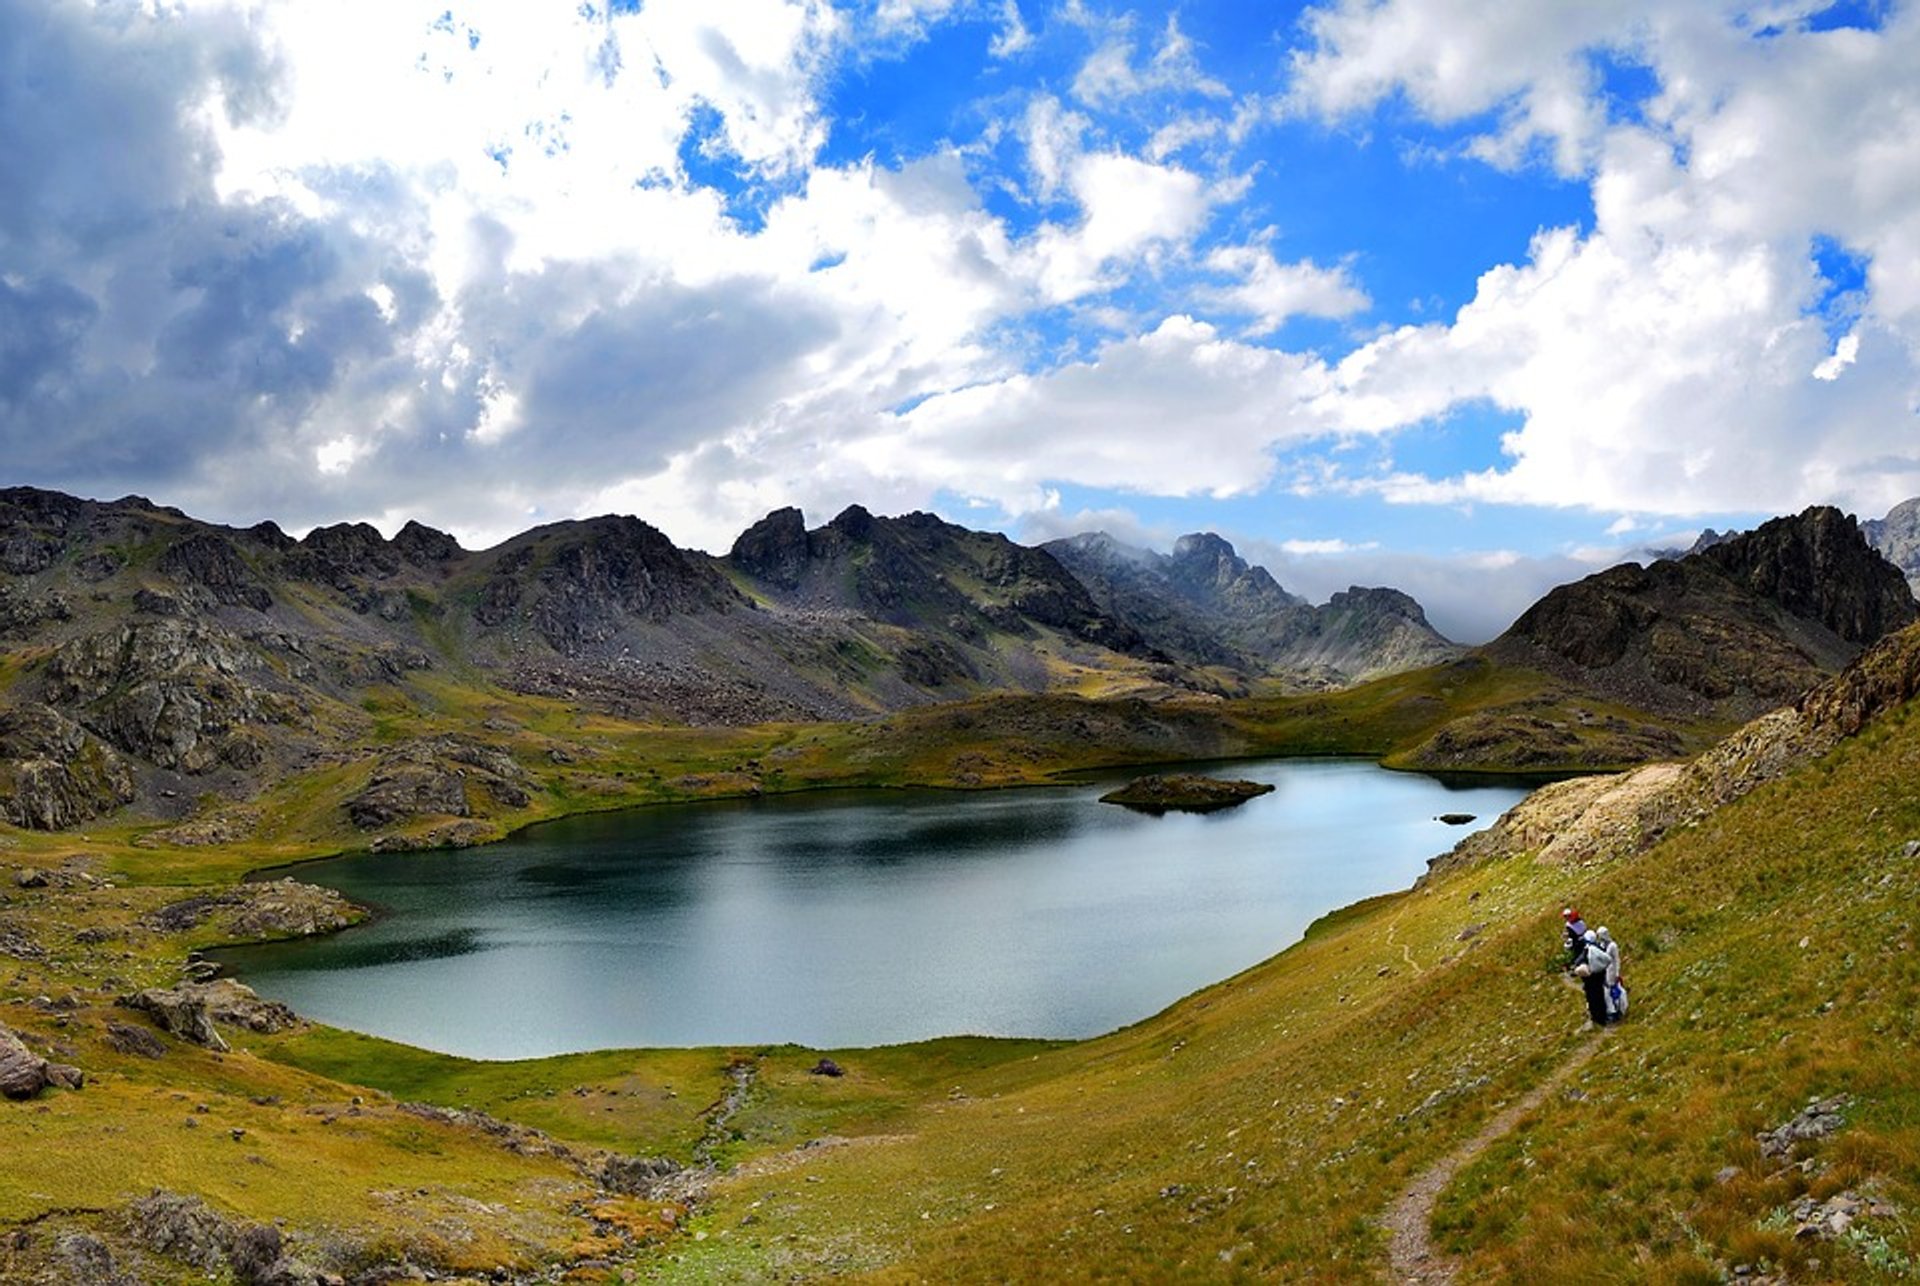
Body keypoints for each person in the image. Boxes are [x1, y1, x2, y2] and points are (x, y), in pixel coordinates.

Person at [1575, 929, 1611, 1026]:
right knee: (1600, 996)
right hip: (1600, 976)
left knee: (1592, 998)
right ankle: (1603, 1017)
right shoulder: (1599, 948)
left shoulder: (1587, 949)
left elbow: (1578, 961)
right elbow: (1607, 959)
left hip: (1590, 978)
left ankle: (1596, 1018)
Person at [1597, 926, 1625, 1021]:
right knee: (1606, 992)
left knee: (1612, 991)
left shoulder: (1613, 946)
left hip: (1611, 971)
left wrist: (1617, 973)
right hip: (1604, 971)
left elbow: (1617, 960)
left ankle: (1616, 1010)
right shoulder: (1602, 945)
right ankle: (1610, 1010)